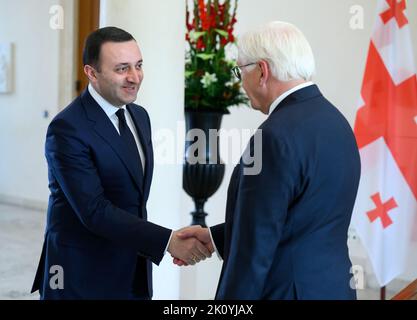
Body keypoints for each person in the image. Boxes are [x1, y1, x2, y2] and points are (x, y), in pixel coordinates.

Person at [175, 21, 361, 300]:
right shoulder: (338, 123)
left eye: (240, 71)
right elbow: (298, 220)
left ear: (262, 71)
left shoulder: (272, 137)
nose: (240, 81)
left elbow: (254, 250)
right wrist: (214, 238)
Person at [31, 27, 212, 300]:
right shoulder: (67, 128)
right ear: (92, 73)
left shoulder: (139, 116)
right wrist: (168, 241)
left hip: (133, 269)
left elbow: (133, 200)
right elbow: (94, 210)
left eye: (139, 66)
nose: (135, 77)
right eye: (122, 69)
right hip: (82, 276)